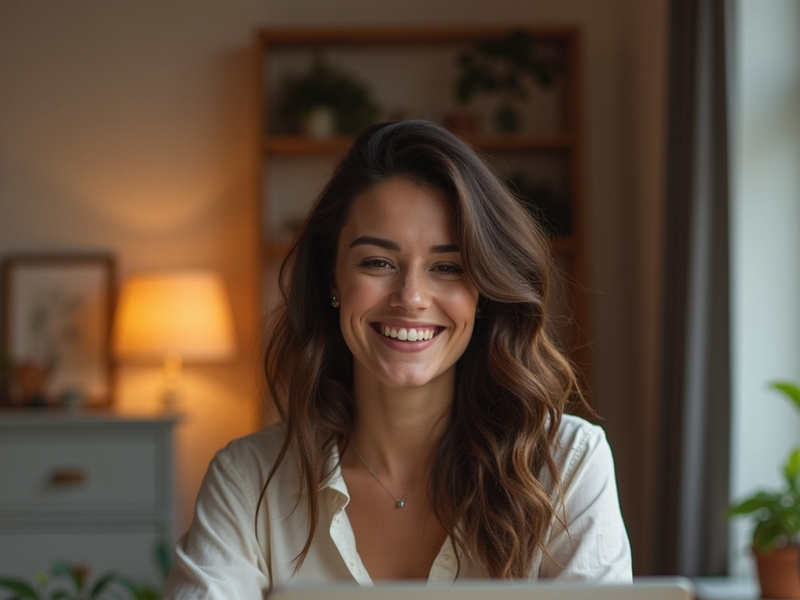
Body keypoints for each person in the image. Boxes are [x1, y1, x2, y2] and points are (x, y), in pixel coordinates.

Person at [164, 120, 632, 598]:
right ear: (332, 278)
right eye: (377, 262)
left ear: (483, 292)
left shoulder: (567, 465)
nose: (411, 297)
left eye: (447, 267)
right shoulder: (248, 480)